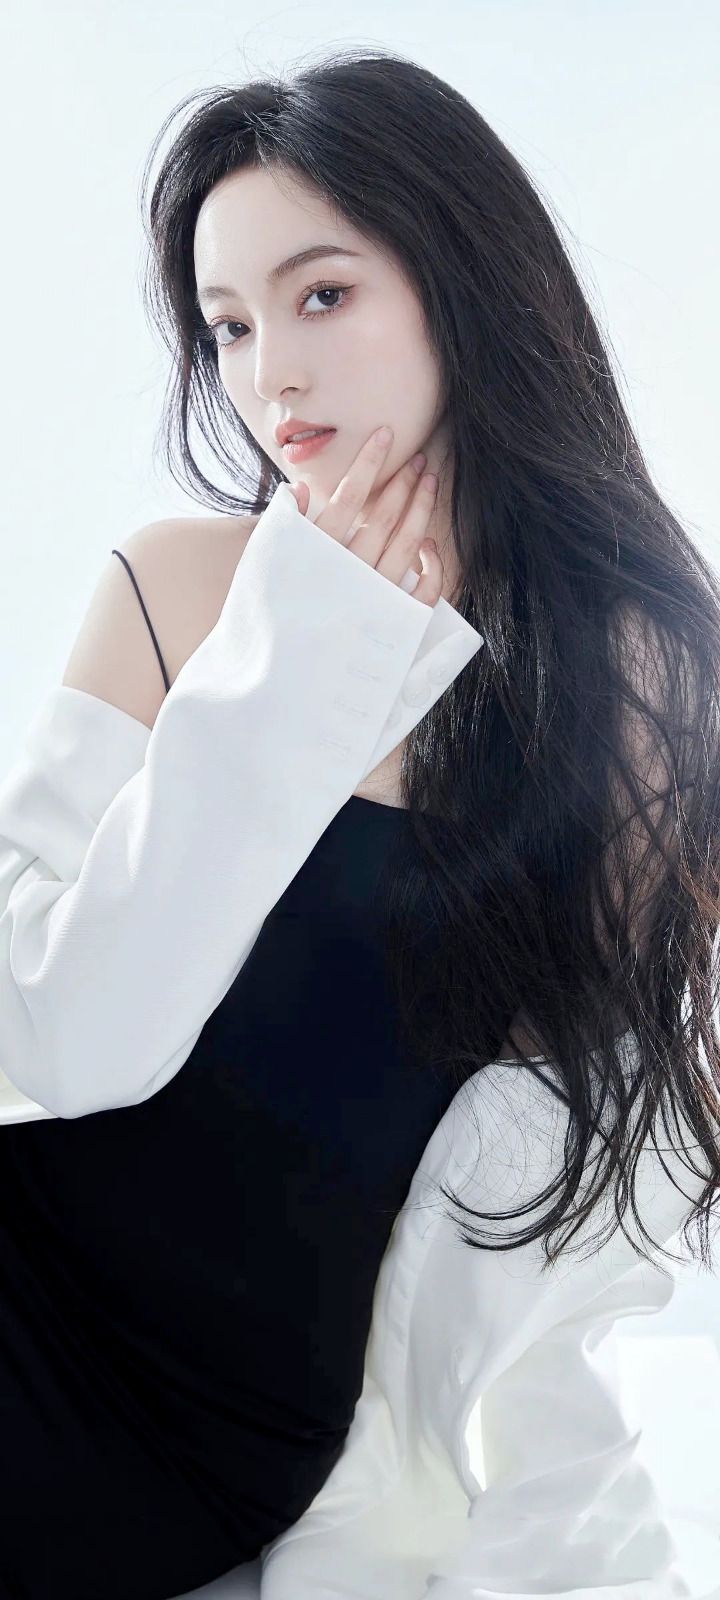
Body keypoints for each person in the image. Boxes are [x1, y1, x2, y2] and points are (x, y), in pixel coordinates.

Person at [0, 44, 718, 1600]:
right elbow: (59, 1041)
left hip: (215, 1435)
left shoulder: (641, 690)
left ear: (466, 286)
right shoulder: (176, 587)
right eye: (230, 325)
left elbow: (573, 1203)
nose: (272, 373)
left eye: (321, 295)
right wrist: (291, 655)